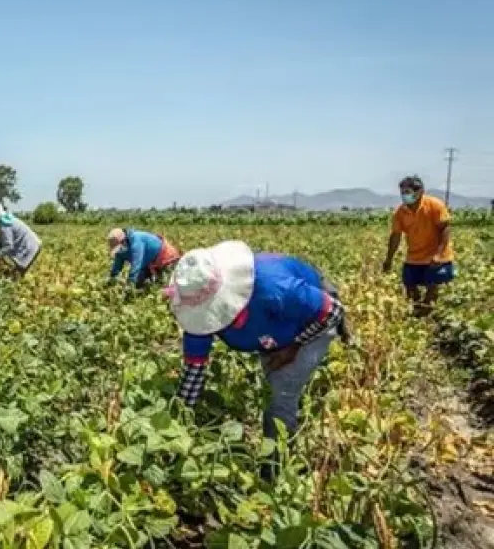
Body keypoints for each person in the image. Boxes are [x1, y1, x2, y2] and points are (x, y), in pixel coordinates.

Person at [163, 240, 346, 480]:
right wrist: (178, 424)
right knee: (273, 381)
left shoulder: (275, 289)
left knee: (280, 393)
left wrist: (293, 346)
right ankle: (283, 437)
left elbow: (333, 311)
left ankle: (274, 472)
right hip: (271, 331)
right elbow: (193, 371)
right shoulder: (198, 310)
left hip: (311, 322)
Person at [382, 175, 455, 316]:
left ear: (420, 191)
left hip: (437, 256)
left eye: (408, 192)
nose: (405, 196)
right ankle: (417, 315)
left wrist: (439, 254)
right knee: (409, 286)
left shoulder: (435, 205)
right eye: (403, 192)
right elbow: (396, 236)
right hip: (415, 256)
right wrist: (389, 259)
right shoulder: (400, 212)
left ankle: (428, 315)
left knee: (432, 288)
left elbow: (445, 229)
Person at [0, 201, 42, 279]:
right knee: (14, 271)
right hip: (26, 245)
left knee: (17, 275)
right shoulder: (0, 221)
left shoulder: (4, 225)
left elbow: (8, 246)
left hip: (30, 247)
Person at [106, 228, 182, 290]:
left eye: (119, 247)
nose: (119, 250)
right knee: (139, 285)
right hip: (148, 262)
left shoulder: (136, 241)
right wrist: (111, 280)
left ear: (124, 241)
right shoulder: (120, 251)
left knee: (166, 285)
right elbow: (117, 267)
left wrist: (130, 284)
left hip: (166, 257)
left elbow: (136, 265)